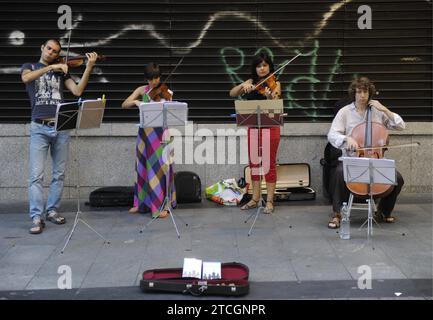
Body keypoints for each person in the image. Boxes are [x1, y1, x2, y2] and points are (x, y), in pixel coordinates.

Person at [21, 39, 98, 234]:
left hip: (61, 126)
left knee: (59, 173)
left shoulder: (62, 71)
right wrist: (50, 67)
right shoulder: (30, 67)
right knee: (36, 175)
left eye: (55, 52)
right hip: (39, 127)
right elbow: (26, 78)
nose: (51, 53)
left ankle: (52, 210)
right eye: (49, 49)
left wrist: (88, 67)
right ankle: (36, 216)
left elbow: (77, 90)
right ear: (42, 48)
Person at [327, 76, 405, 228]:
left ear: (370, 93)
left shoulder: (377, 111)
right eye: (359, 92)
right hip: (353, 160)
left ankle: (383, 212)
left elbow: (401, 126)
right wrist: (346, 139)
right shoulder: (345, 112)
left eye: (365, 92)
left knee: (398, 178)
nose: (362, 95)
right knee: (338, 173)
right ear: (354, 93)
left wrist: (384, 109)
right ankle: (337, 213)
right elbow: (332, 134)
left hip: (376, 161)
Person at [122, 62, 176, 218]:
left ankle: (161, 205)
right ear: (146, 78)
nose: (155, 82)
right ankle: (141, 203)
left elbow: (171, 110)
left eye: (157, 78)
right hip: (145, 135)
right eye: (151, 79)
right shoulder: (141, 90)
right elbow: (124, 104)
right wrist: (136, 102)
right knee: (143, 168)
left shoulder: (165, 91)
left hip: (161, 135)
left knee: (159, 170)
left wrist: (165, 100)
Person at [229, 53, 282, 214]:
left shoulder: (275, 83)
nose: (262, 68)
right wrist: (243, 86)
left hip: (270, 128)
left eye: (265, 65)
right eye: (259, 66)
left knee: (268, 164)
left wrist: (269, 96)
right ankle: (255, 198)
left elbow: (275, 101)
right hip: (254, 127)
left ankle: (270, 201)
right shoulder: (251, 82)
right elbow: (232, 93)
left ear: (269, 67)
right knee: (254, 164)